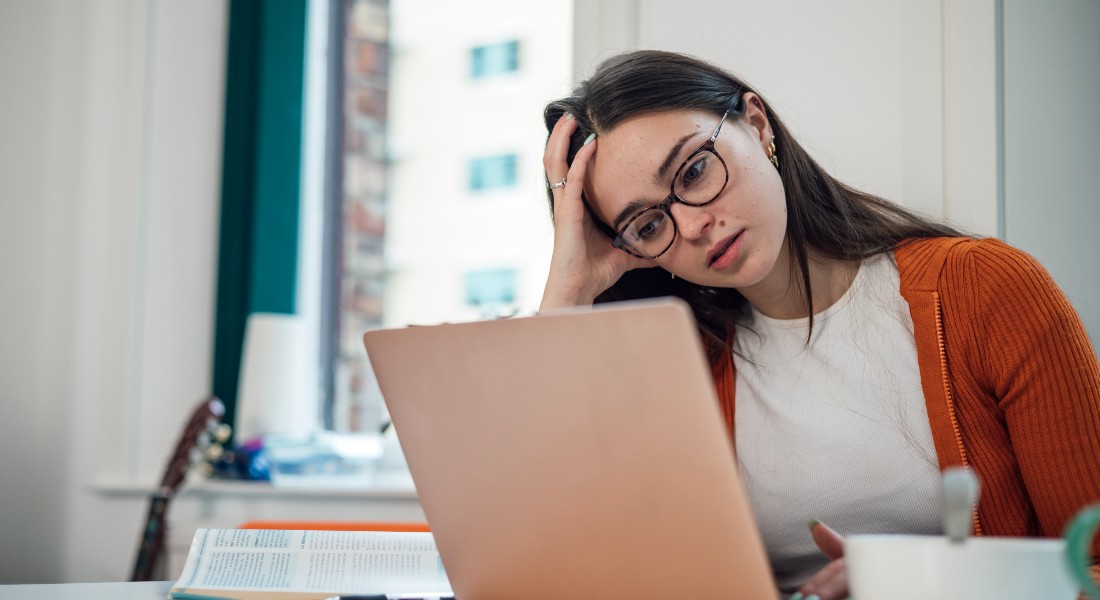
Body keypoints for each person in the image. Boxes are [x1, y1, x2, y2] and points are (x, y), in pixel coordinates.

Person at [539, 49, 1100, 600]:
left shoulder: (983, 291)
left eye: (694, 170)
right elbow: (559, 559)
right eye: (647, 223)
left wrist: (908, 581)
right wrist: (570, 289)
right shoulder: (682, 369)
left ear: (757, 125)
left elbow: (1092, 564)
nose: (692, 226)